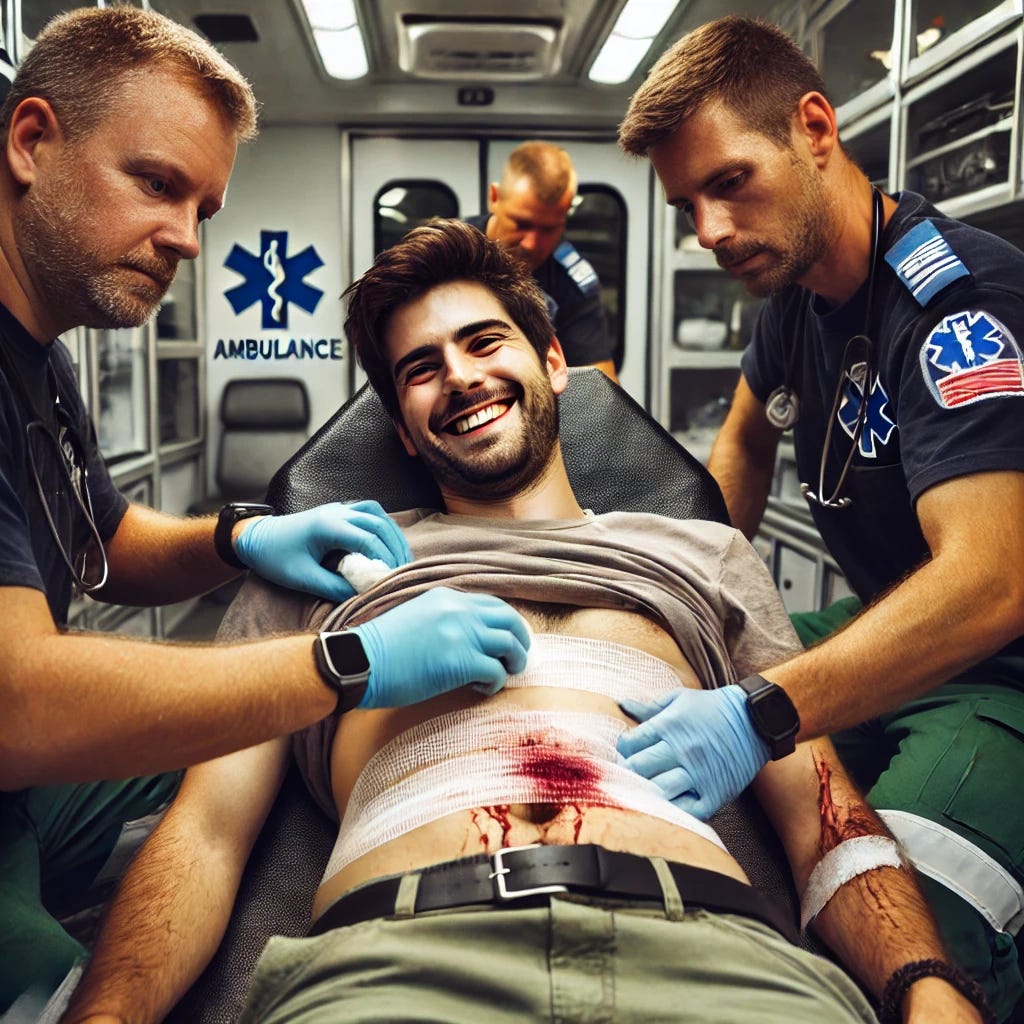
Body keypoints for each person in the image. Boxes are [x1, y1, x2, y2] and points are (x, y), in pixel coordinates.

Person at [64, 220, 988, 1024]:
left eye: (483, 342)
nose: (459, 378)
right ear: (402, 425)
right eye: (421, 370)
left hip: (715, 958)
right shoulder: (319, 579)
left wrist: (925, 982)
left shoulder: (703, 556)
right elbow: (205, 830)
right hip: (395, 961)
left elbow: (823, 815)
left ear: (553, 360)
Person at [0, 9, 530, 1015]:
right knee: (54, 992)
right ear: (32, 141)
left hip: (18, 797)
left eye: (203, 207)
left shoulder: (38, 358)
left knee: (260, 774)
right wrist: (344, 664)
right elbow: (16, 703)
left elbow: (102, 543)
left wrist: (243, 534)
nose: (186, 241)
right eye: (157, 183)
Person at [617, 15, 1024, 1022]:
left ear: (813, 127)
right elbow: (745, 440)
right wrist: (699, 580)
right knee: (663, 673)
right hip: (893, 621)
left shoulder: (955, 306)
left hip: (999, 671)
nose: (707, 231)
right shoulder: (795, 297)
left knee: (907, 927)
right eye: (685, 205)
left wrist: (762, 711)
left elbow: (990, 583)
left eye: (728, 183)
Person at [466, 139, 619, 381]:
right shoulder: (445, 249)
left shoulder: (571, 283)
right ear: (494, 197)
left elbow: (602, 394)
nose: (532, 244)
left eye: (549, 229)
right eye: (522, 224)